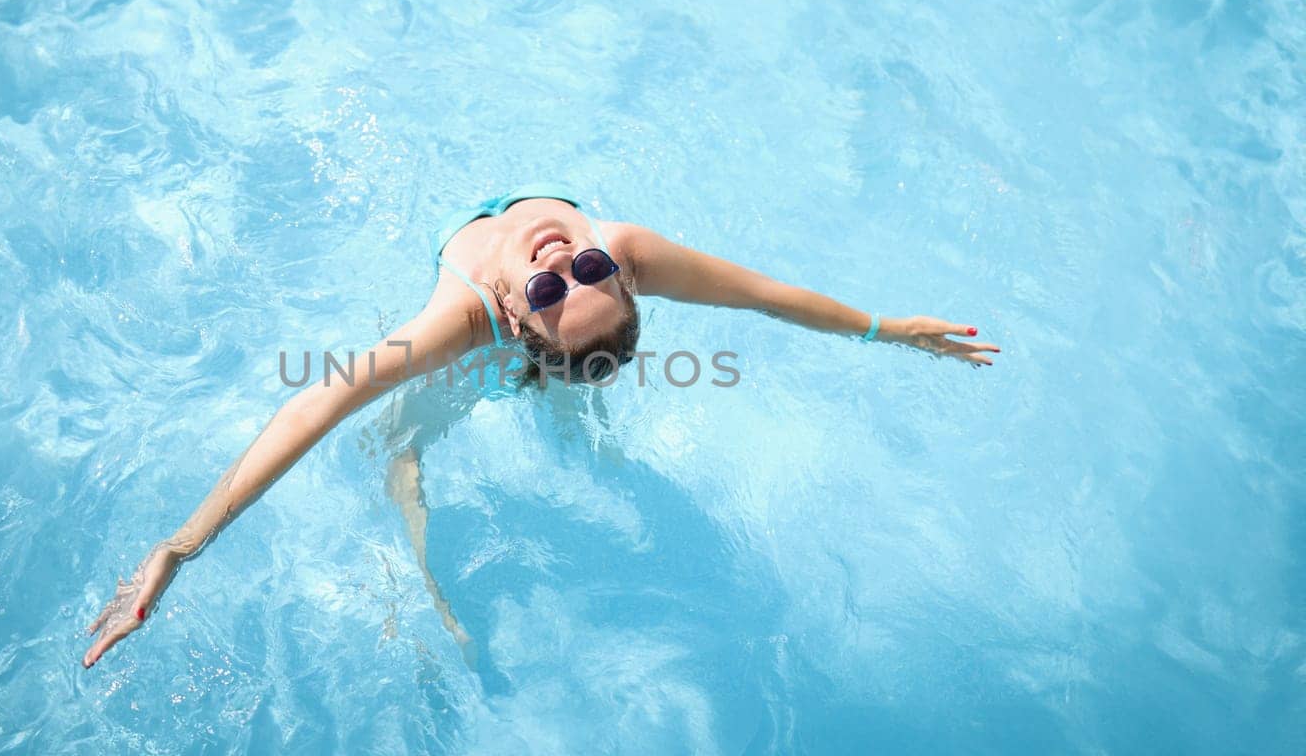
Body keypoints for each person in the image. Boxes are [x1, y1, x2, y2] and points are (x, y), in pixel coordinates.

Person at [81, 184, 999, 669]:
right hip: (539, 357)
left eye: (566, 282)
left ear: (519, 319)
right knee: (514, 417)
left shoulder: (469, 319)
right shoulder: (611, 257)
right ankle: (554, 425)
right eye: (581, 270)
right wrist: (889, 327)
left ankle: (423, 566)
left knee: (399, 446)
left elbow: (314, 405)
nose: (567, 258)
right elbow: (769, 296)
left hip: (509, 356)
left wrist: (181, 546)